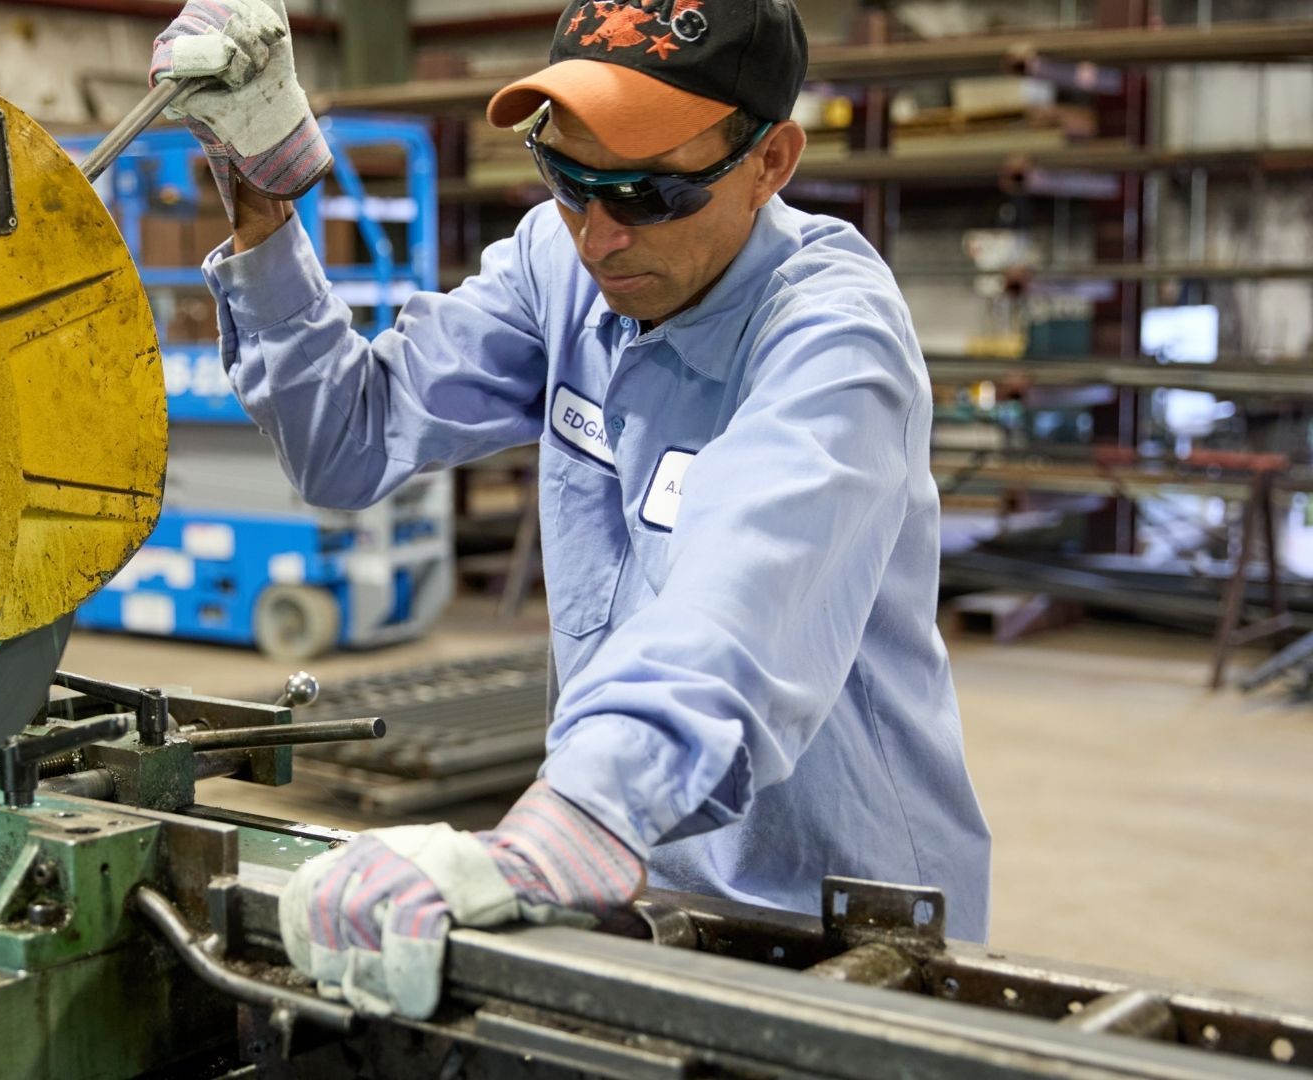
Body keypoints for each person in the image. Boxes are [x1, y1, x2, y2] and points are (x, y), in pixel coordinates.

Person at [150, 0, 993, 1019]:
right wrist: (256, 194)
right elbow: (349, 438)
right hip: (639, 881)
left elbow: (735, 608)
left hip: (836, 912)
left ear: (771, 161)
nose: (599, 233)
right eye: (568, 179)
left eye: (648, 191)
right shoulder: (564, 272)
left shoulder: (831, 341)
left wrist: (570, 823)